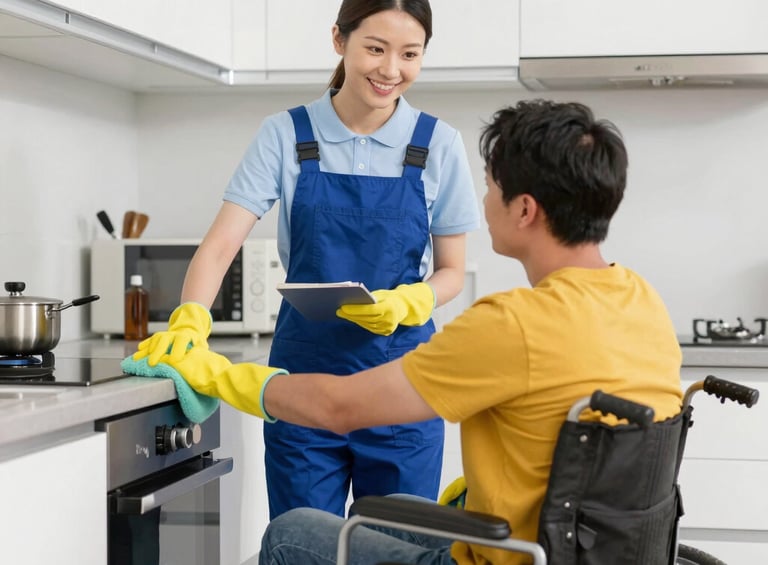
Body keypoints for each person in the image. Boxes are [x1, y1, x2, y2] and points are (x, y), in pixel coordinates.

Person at [162, 99, 684, 564]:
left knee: (289, 532)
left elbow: (337, 409)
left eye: (491, 187)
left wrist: (219, 374)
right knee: (397, 512)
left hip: (502, 554)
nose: (482, 202)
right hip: (570, 544)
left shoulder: (513, 323)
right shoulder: (641, 299)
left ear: (525, 209)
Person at [132, 0, 481, 520]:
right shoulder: (286, 134)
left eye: (410, 54)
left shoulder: (439, 145)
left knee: (396, 551)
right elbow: (223, 242)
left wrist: (415, 298)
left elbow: (453, 269)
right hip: (302, 378)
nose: (391, 70)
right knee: (301, 542)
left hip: (401, 385)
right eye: (376, 49)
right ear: (340, 40)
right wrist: (192, 318)